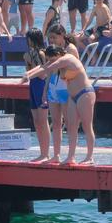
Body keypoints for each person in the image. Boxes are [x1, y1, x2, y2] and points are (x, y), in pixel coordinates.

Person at [24, 45, 96, 165]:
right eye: (50, 59)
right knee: (71, 126)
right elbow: (45, 66)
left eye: (53, 59)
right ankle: (70, 157)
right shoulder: (57, 61)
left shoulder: (66, 59)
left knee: (87, 126)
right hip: (73, 97)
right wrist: (27, 74)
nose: (51, 62)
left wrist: (28, 77)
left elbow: (47, 69)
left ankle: (89, 157)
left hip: (85, 94)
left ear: (59, 54)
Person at [44, 24, 79, 163]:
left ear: (62, 35)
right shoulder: (53, 49)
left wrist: (73, 89)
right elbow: (49, 70)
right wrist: (45, 90)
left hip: (66, 86)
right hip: (54, 84)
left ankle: (71, 155)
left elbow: (77, 69)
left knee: (70, 122)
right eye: (49, 38)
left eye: (54, 37)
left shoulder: (70, 49)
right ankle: (56, 154)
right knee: (56, 122)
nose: (51, 40)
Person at [20, 28, 50, 162]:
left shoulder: (43, 53)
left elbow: (44, 73)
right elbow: (29, 71)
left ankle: (46, 153)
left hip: (41, 85)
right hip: (33, 84)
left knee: (43, 120)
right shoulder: (27, 54)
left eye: (29, 39)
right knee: (37, 121)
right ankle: (42, 152)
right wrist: (28, 60)